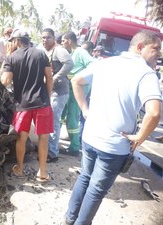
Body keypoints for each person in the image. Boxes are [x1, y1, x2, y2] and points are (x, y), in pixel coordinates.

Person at [65, 30, 162, 225]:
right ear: (140, 47)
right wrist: (140, 137)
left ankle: (69, 218)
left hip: (90, 137)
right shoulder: (146, 73)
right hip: (113, 146)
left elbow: (76, 80)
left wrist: (85, 109)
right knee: (96, 189)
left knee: (85, 177)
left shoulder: (104, 63)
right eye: (156, 48)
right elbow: (153, 113)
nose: (159, 53)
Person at [1, 28, 54, 182]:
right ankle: (43, 172)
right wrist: (47, 96)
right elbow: (49, 78)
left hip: (22, 104)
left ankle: (19, 168)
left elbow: (4, 81)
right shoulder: (41, 53)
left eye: (12, 41)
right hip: (42, 102)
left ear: (17, 41)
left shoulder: (12, 57)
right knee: (44, 138)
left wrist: (6, 61)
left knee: (21, 138)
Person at [42, 28, 74, 162]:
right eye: (43, 38)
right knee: (51, 121)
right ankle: (49, 149)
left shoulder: (59, 50)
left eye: (48, 37)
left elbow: (70, 64)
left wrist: (55, 77)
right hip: (52, 91)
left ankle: (52, 154)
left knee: (54, 122)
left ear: (54, 38)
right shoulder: (46, 51)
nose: (45, 40)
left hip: (59, 92)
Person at [61, 31, 94, 156]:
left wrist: (78, 78)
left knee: (72, 118)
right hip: (70, 88)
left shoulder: (81, 52)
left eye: (64, 40)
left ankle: (74, 147)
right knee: (65, 116)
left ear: (69, 40)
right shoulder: (72, 53)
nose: (63, 43)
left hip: (78, 88)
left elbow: (92, 65)